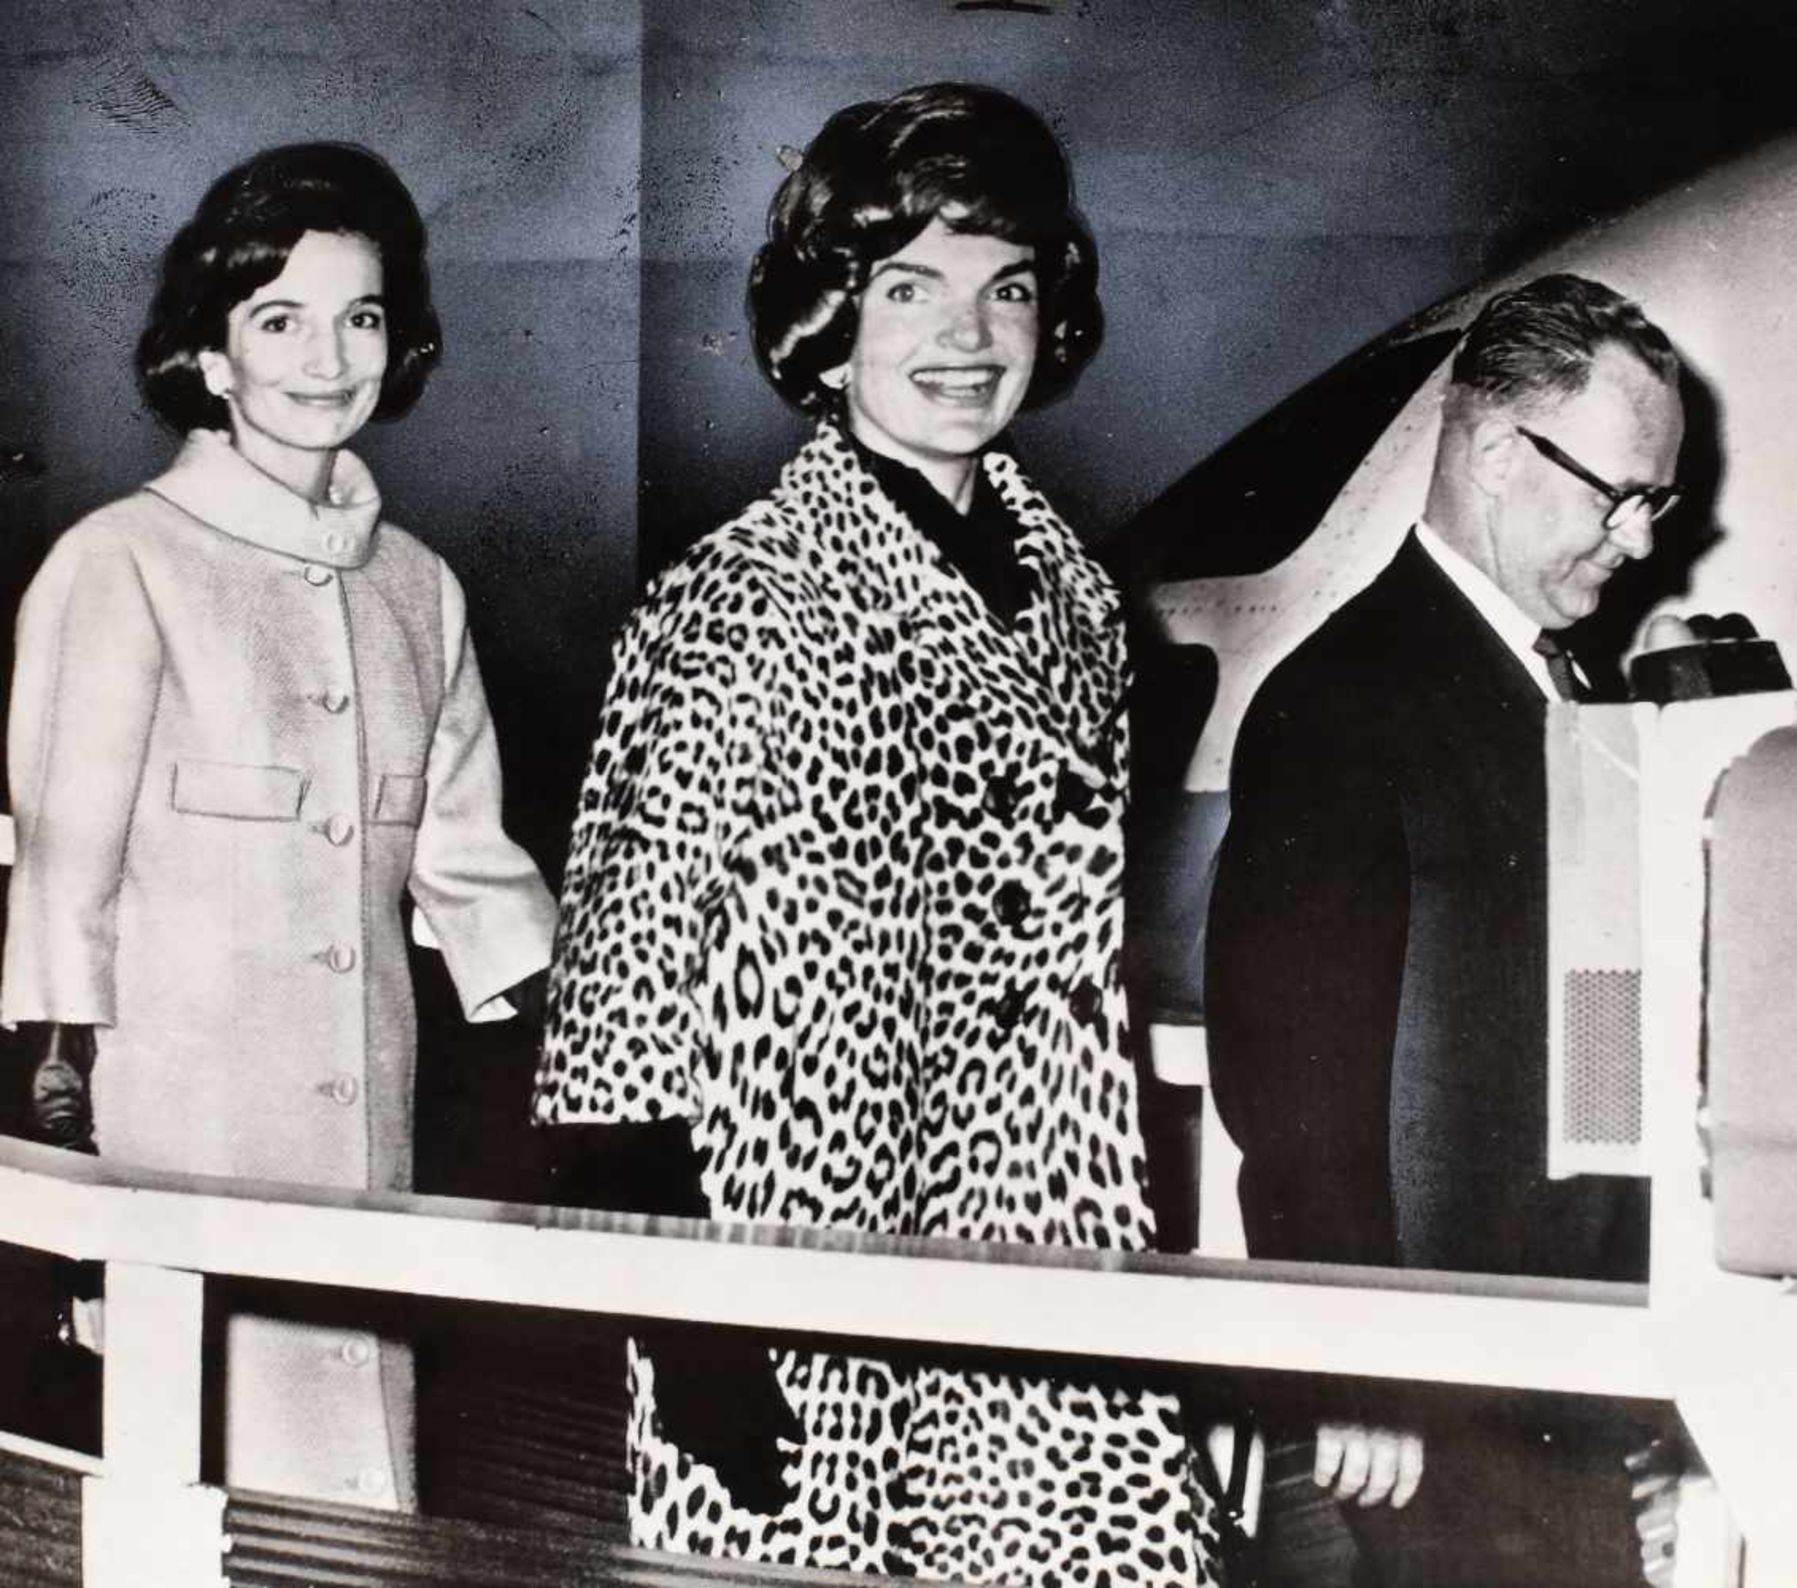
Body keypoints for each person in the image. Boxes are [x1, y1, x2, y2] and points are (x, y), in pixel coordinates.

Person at [532, 82, 1217, 1585]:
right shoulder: (742, 598)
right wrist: (696, 1338)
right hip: (799, 1277)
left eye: (1009, 288)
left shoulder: (1082, 603)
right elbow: (610, 1024)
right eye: (911, 286)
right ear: (831, 318)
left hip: (1046, 1234)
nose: (967, 337)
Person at [1, 142, 558, 1508]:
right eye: (280, 319)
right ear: (208, 354)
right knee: (185, 1485)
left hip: (366, 1130)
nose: (328, 357)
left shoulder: (418, 587)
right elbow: (62, 862)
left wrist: (587, 1043)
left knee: (358, 1471)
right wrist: (57, 1100)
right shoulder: (121, 560)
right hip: (169, 1115)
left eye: (361, 317)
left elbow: (470, 863)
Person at [1206, 274, 1684, 1586]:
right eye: (1615, 496)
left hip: (1557, 1364)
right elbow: (1289, 1076)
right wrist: (1360, 1353)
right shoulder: (1343, 702)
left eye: (1657, 505)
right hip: (1426, 1378)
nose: (1636, 542)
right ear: (1487, 450)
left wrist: (1637, 1364)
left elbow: (1602, 1037)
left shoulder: (1568, 697)